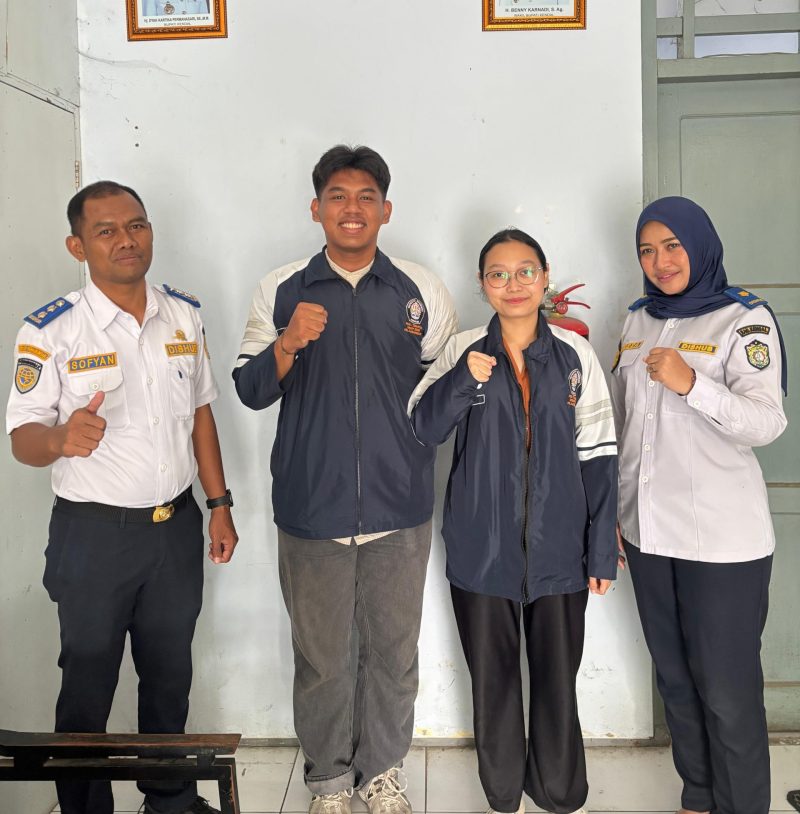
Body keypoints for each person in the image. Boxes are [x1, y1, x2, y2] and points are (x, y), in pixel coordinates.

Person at [232, 145, 457, 814]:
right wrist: (287, 343)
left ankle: (382, 772)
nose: (351, 208)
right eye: (337, 196)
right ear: (316, 208)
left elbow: (444, 390)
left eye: (365, 197)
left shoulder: (418, 289)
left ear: (386, 210)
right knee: (322, 658)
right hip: (311, 505)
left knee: (393, 653)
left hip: (400, 506)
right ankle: (329, 781)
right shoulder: (282, 289)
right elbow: (249, 390)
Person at [6, 181, 238, 814]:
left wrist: (219, 506)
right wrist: (59, 438)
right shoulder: (52, 330)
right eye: (105, 231)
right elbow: (22, 439)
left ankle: (169, 799)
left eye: (136, 225)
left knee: (169, 674)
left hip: (174, 528)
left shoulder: (182, 314)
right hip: (93, 537)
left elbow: (201, 415)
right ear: (77, 246)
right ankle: (85, 809)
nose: (126, 240)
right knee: (87, 681)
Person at [408, 228, 618, 814]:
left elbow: (600, 452)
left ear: (545, 278)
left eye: (526, 271)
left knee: (557, 678)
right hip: (481, 548)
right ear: (482, 285)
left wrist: (601, 548)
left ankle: (558, 792)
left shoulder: (574, 353)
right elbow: (423, 426)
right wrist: (463, 379)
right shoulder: (463, 348)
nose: (513, 284)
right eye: (498, 274)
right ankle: (503, 797)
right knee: (493, 681)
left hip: (560, 550)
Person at [611, 196, 788, 814]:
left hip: (721, 542)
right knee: (676, 679)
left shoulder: (744, 320)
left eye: (673, 246)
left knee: (727, 689)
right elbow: (626, 428)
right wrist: (615, 515)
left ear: (700, 245)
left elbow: (766, 423)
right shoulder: (637, 320)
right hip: (648, 534)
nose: (660, 261)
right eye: (647, 250)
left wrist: (693, 385)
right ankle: (699, 795)